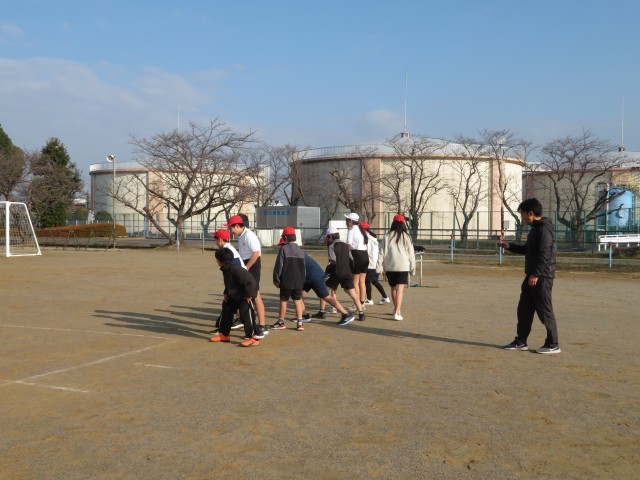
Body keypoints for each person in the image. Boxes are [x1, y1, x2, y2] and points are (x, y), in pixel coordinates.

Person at [498, 198, 561, 354]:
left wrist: (536, 274)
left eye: (523, 214)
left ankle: (553, 344)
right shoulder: (535, 229)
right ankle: (521, 341)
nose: (522, 218)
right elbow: (528, 250)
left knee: (544, 311)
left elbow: (545, 253)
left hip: (542, 277)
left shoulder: (544, 229)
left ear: (530, 213)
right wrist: (509, 246)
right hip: (532, 276)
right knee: (524, 309)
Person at [226, 214, 268, 340]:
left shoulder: (249, 235)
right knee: (241, 292)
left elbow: (256, 253)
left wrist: (246, 267)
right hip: (245, 263)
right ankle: (240, 319)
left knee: (255, 294)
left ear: (237, 226)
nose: (230, 230)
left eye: (230, 228)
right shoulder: (241, 236)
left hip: (252, 264)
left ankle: (262, 325)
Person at [209, 248, 261, 347]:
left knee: (247, 316)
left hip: (244, 297)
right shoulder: (225, 269)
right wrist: (226, 293)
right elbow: (229, 284)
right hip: (233, 296)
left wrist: (249, 295)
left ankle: (254, 338)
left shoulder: (237, 269)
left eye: (217, 259)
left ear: (221, 260)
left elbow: (251, 282)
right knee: (226, 312)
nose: (216, 261)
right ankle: (224, 335)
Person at [300, 251, 354, 325]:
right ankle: (304, 315)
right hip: (311, 275)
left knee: (326, 296)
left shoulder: (291, 252)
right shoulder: (297, 251)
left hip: (314, 276)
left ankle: (346, 314)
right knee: (300, 293)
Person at [324, 226, 365, 325]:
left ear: (330, 237)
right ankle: (361, 313)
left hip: (337, 272)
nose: (326, 240)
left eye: (327, 237)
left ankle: (323, 311)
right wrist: (350, 271)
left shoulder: (332, 246)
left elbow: (332, 261)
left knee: (325, 290)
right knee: (352, 293)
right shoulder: (346, 246)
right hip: (347, 272)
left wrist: (327, 273)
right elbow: (351, 260)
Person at [209, 229, 245, 334]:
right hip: (238, 281)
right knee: (229, 306)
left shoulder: (227, 251)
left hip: (239, 282)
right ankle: (224, 328)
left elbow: (232, 271)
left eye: (215, 238)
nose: (215, 241)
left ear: (220, 239)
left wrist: (228, 290)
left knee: (228, 306)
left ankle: (223, 329)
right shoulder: (227, 248)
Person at [271, 227, 306, 332]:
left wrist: (276, 279)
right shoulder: (301, 251)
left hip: (286, 280)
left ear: (285, 238)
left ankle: (281, 322)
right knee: (298, 300)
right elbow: (303, 268)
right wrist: (303, 281)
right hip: (298, 280)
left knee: (284, 300)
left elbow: (279, 266)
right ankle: (300, 323)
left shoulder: (284, 249)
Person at [382, 214, 416, 321]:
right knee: (400, 289)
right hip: (403, 266)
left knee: (393, 288)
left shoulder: (387, 236)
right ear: (403, 224)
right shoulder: (407, 237)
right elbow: (411, 254)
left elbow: (381, 252)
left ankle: (396, 308)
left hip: (390, 266)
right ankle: (397, 311)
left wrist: (380, 266)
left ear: (393, 223)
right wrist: (413, 268)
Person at [360, 222, 390, 306]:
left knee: (367, 281)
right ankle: (385, 297)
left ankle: (369, 299)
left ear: (363, 230)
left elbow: (366, 251)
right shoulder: (371, 238)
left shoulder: (368, 239)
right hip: (373, 262)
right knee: (374, 281)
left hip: (370, 263)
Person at [345, 213, 369, 308]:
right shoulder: (361, 229)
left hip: (357, 255)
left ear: (351, 221)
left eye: (347, 219)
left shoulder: (351, 230)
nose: (346, 221)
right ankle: (362, 302)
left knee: (355, 282)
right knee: (362, 282)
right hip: (365, 255)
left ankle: (357, 304)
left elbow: (349, 245)